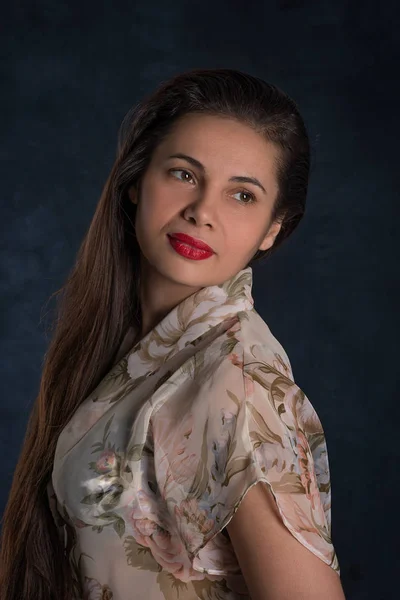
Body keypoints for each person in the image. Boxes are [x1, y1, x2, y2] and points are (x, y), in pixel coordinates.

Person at [0, 68, 346, 599]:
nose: (201, 211)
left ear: (273, 228)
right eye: (184, 174)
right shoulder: (132, 351)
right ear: (137, 181)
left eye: (243, 196)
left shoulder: (238, 385)